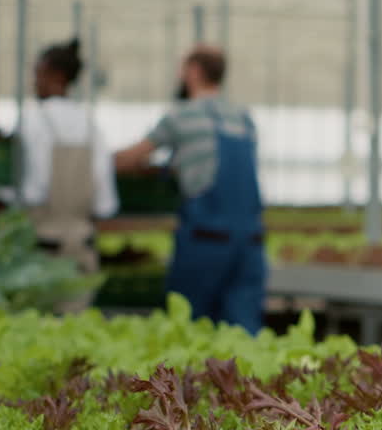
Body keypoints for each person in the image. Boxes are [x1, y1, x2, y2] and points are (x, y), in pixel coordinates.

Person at [113, 44, 267, 334]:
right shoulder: (244, 118)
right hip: (250, 245)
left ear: (194, 72)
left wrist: (97, 160)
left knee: (191, 332)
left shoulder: (181, 117)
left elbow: (131, 158)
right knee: (245, 335)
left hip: (206, 243)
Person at [18, 38, 119, 313]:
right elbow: (105, 204)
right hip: (82, 254)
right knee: (72, 335)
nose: (34, 82)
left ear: (56, 75)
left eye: (38, 74)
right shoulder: (90, 124)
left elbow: (31, 192)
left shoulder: (33, 120)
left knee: (36, 333)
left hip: (39, 250)